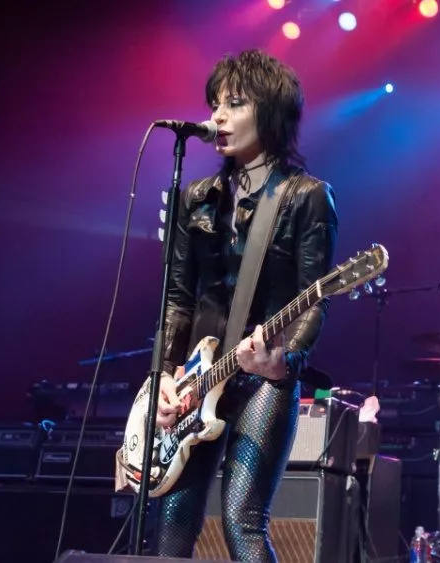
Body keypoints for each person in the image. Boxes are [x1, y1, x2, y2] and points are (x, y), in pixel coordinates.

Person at [153, 49, 338, 561]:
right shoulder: (196, 198)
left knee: (242, 521)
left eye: (234, 104)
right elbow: (178, 298)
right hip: (195, 380)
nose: (216, 117)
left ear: (271, 111)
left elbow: (313, 300)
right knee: (169, 527)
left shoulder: (307, 197)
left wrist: (285, 361)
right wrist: (166, 374)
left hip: (263, 376)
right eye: (214, 104)